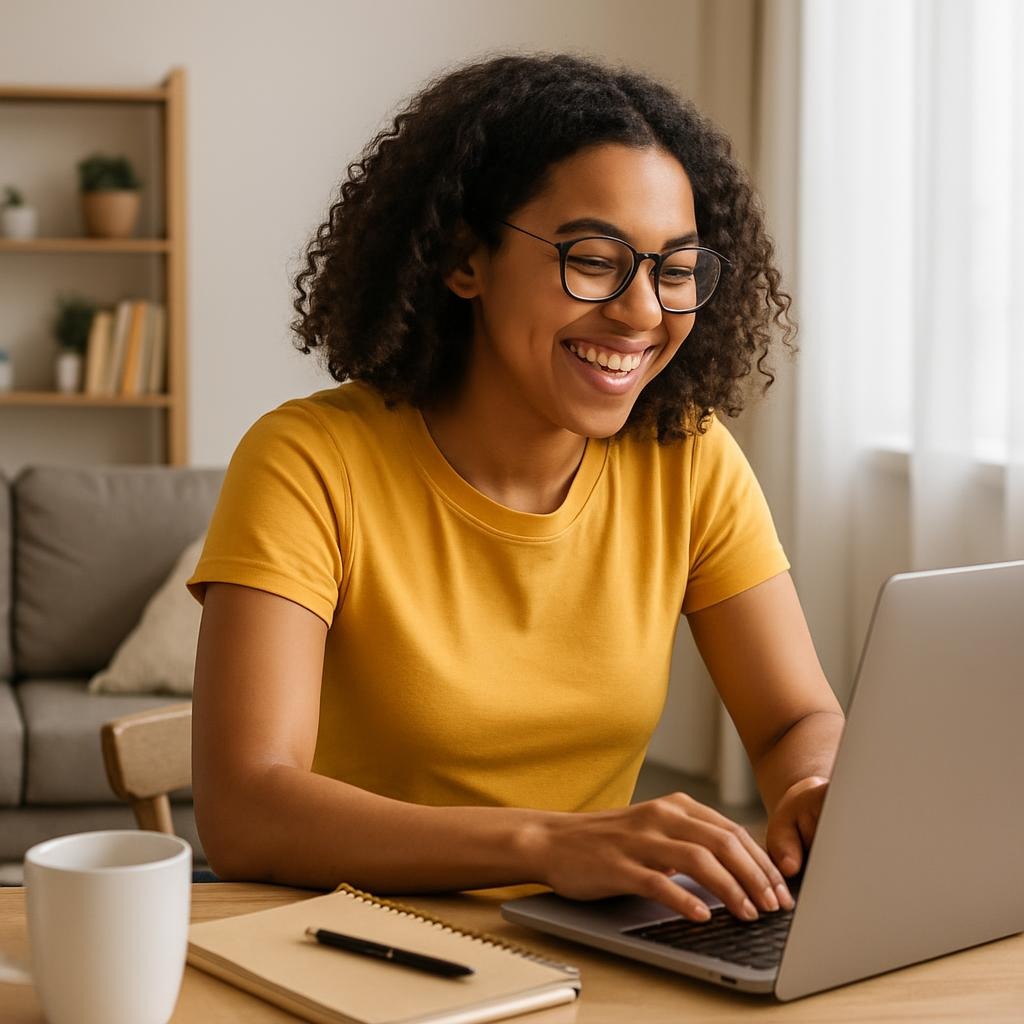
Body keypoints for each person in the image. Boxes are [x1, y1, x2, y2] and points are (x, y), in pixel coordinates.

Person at [188, 53, 844, 925]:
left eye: (675, 269)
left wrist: (813, 788)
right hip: (345, 942)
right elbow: (246, 811)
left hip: (586, 946)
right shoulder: (308, 461)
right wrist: (545, 844)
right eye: (595, 259)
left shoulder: (687, 458)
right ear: (467, 258)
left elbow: (794, 717)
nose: (643, 312)